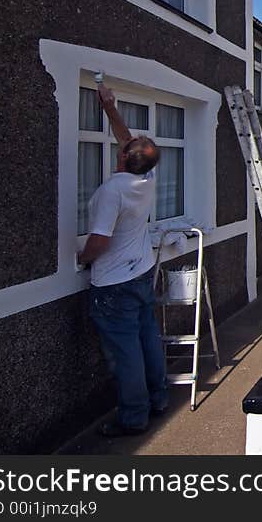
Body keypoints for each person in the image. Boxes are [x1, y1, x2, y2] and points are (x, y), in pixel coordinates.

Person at [78, 81, 168, 437]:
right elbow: (128, 142)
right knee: (147, 339)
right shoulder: (145, 176)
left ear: (122, 159)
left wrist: (83, 257)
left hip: (114, 284)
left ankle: (134, 417)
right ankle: (158, 399)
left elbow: (99, 241)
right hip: (142, 273)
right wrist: (110, 108)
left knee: (127, 352)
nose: (125, 142)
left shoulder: (110, 192)